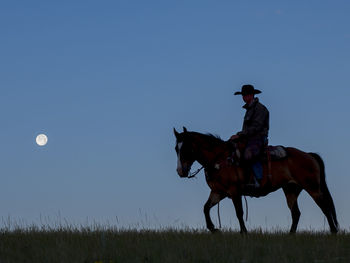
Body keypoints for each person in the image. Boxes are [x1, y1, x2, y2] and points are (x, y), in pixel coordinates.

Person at [230, 84, 269, 188]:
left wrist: (240, 135)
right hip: (249, 138)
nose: (244, 97)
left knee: (248, 153)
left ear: (252, 95)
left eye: (246, 95)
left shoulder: (260, 109)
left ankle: (258, 179)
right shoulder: (249, 109)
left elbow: (257, 127)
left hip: (258, 138)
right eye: (243, 95)